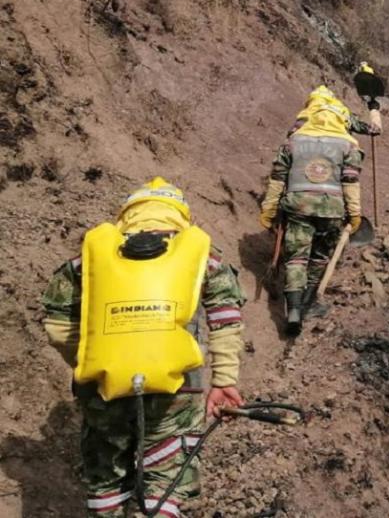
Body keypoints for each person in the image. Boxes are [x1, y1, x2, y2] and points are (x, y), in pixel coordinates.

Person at [41, 177, 246, 517]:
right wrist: (224, 381)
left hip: (103, 388)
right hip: (177, 390)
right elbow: (226, 319)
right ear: (181, 217)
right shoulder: (201, 258)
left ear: (126, 215)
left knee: (106, 472)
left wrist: (94, 360)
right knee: (165, 471)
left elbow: (58, 327)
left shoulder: (89, 260)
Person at [259, 96, 381, 334]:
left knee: (296, 257)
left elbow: (277, 179)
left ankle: (291, 309)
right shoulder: (347, 144)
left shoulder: (294, 140)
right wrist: (354, 215)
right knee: (319, 257)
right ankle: (306, 304)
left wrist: (269, 209)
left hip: (298, 206)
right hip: (331, 209)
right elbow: (350, 182)